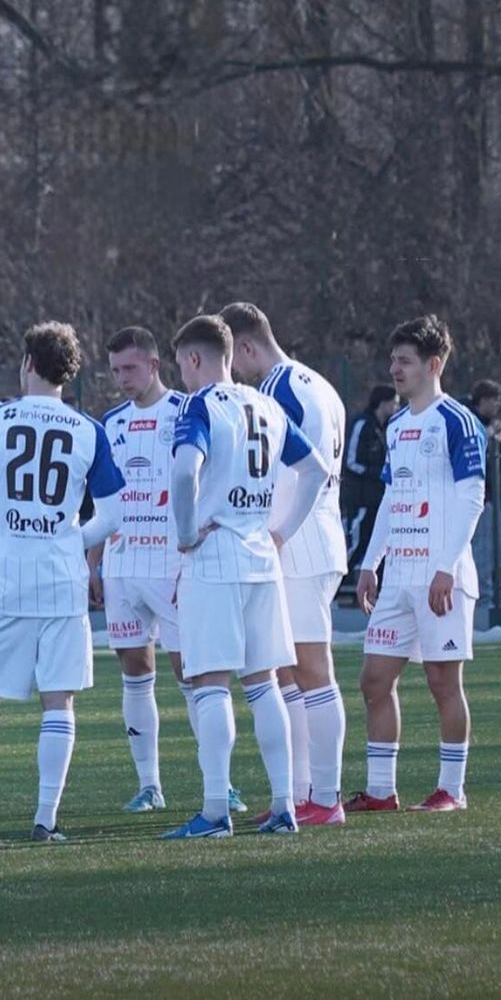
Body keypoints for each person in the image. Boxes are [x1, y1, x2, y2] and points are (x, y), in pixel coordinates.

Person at [0, 322, 126, 845]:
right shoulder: (87, 430)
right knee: (59, 701)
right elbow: (113, 513)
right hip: (62, 580)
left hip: (8, 579)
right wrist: (69, 540)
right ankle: (46, 819)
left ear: (28, 364)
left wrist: (5, 542)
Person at [162, 315, 328, 840]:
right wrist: (280, 532)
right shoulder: (268, 405)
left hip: (214, 558)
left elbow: (185, 471)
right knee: (264, 685)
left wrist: (186, 534)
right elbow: (317, 470)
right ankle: (283, 806)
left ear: (193, 359)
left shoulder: (199, 405)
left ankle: (215, 811)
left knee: (211, 683)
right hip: (261, 558)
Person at [346, 315, 486, 815]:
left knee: (444, 682)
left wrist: (447, 566)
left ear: (433, 364)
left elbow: (474, 496)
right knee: (374, 680)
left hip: (439, 578)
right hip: (398, 579)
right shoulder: (400, 424)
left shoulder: (456, 420)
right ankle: (382, 791)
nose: (394, 369)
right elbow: (391, 496)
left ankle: (452, 789)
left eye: (403, 361)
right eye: (392, 360)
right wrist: (370, 562)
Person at [221, 302, 349, 828]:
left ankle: (327, 796)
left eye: (234, 357)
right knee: (289, 670)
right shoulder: (319, 384)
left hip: (299, 539)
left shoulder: (278, 389)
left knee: (313, 671)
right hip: (315, 535)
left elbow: (300, 473)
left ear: (247, 347)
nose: (234, 370)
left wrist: (276, 533)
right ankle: (300, 794)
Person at [89, 326, 191, 814]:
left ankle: (221, 781)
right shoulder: (110, 423)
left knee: (192, 672)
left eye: (129, 368)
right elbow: (99, 501)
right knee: (135, 671)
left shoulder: (186, 413)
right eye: (114, 371)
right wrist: (94, 563)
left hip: (173, 566)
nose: (122, 379)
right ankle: (149, 784)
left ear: (154, 365)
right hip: (122, 565)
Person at [341, 385, 398, 581]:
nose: (397, 407)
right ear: (383, 403)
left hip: (378, 500)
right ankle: (335, 588)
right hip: (360, 498)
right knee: (355, 544)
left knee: (380, 545)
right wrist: (376, 473)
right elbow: (350, 461)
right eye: (394, 402)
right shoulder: (362, 424)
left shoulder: (387, 428)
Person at [466, 380, 501, 607]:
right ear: (482, 401)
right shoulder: (471, 424)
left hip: (489, 495)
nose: (498, 404)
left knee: (490, 549)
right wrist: (488, 438)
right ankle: (481, 601)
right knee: (481, 549)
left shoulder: (496, 426)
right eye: (494, 399)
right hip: (475, 497)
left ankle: (484, 596)